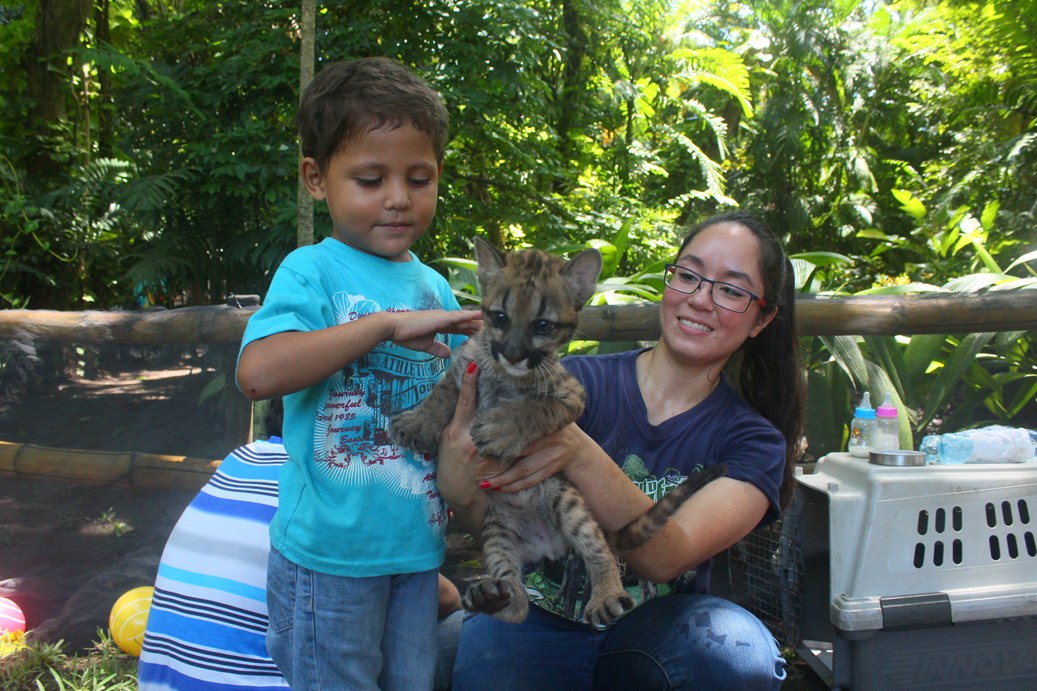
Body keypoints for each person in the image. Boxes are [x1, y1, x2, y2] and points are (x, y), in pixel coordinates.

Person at [436, 210, 806, 690]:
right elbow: (488, 508)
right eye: (689, 276)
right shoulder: (580, 379)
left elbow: (665, 558)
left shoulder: (754, 441)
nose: (700, 300)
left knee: (734, 653)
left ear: (763, 319)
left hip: (653, 632)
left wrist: (573, 449)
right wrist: (457, 475)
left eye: (732, 290)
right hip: (536, 611)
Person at [235, 56, 481, 690]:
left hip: (417, 552)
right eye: (371, 179)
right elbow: (258, 373)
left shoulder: (433, 286)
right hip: (329, 559)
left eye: (418, 178)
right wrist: (382, 326)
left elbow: (460, 397)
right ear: (316, 179)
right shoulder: (310, 271)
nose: (398, 198)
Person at [137, 401, 465, 691]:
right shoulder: (343, 487)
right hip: (301, 673)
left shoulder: (238, 460)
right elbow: (443, 599)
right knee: (472, 632)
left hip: (162, 681)